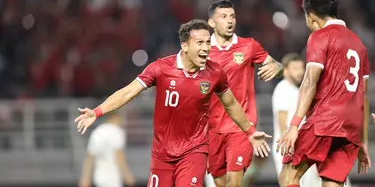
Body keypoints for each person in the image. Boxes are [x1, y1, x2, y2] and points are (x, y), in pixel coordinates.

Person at [74, 19, 271, 187]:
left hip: (195, 149)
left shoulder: (215, 72)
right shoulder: (160, 68)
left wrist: (250, 132)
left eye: (207, 43)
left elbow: (230, 104)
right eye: (200, 43)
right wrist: (97, 112)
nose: (206, 48)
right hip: (162, 154)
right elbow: (128, 92)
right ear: (184, 46)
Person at [277, 0, 371, 187]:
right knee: (332, 183)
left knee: (288, 175)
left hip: (325, 120)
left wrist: (294, 125)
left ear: (311, 16)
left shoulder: (321, 36)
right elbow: (363, 97)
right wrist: (362, 142)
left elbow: (310, 82)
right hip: (351, 127)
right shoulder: (360, 45)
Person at [204, 0, 283, 187]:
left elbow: (276, 64)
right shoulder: (202, 49)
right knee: (220, 183)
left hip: (242, 126)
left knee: (235, 181)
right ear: (212, 23)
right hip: (212, 128)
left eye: (232, 16)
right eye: (223, 17)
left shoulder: (249, 46)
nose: (230, 21)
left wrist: (277, 67)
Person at [78, 112, 135, 187]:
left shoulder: (97, 132)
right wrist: (127, 174)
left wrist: (85, 178)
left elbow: (90, 157)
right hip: (113, 177)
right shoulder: (117, 131)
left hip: (99, 176)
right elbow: (119, 155)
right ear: (115, 117)